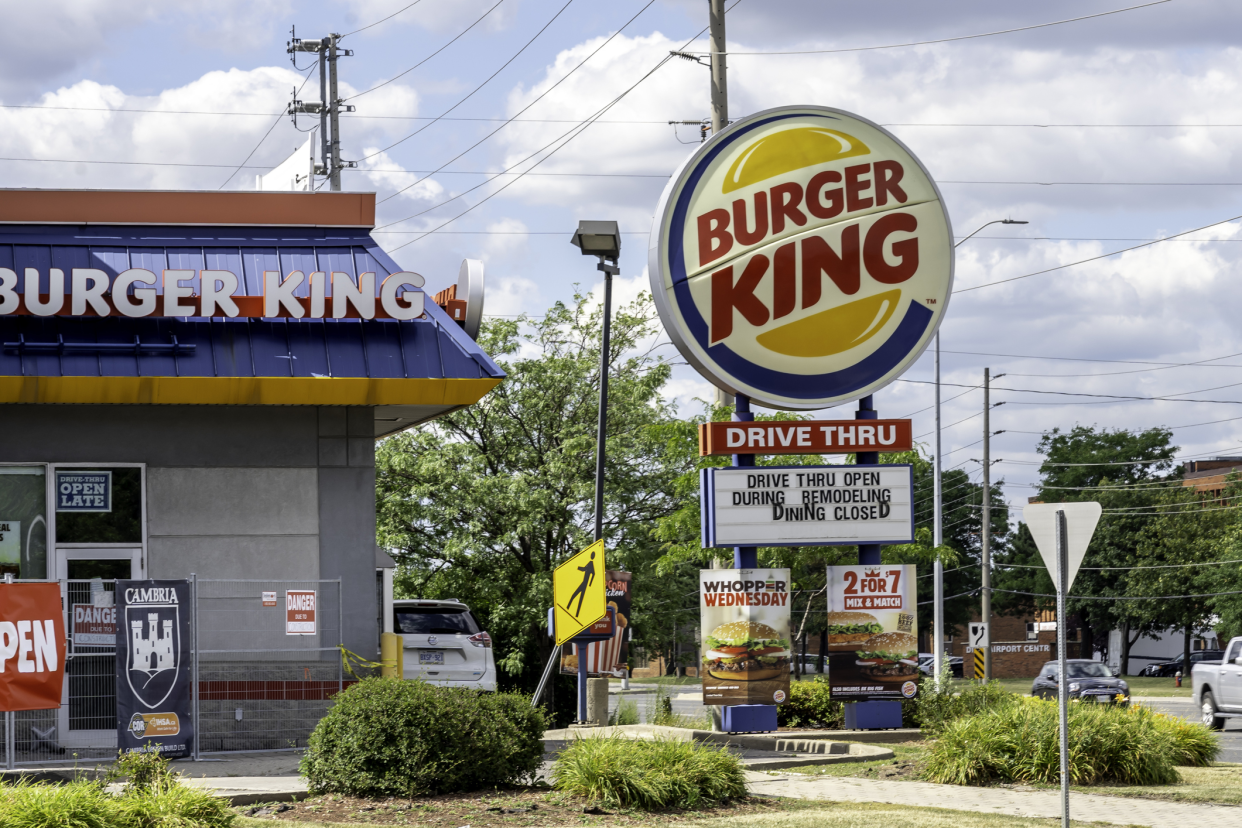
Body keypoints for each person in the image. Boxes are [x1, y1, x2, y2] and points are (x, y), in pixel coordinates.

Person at [568, 550, 596, 616]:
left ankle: (575, 612)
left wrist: (590, 583)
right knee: (576, 598)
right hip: (584, 583)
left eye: (592, 554)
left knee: (578, 598)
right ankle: (570, 608)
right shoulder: (590, 563)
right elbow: (588, 571)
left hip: (584, 584)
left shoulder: (591, 564)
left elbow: (592, 573)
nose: (591, 555)